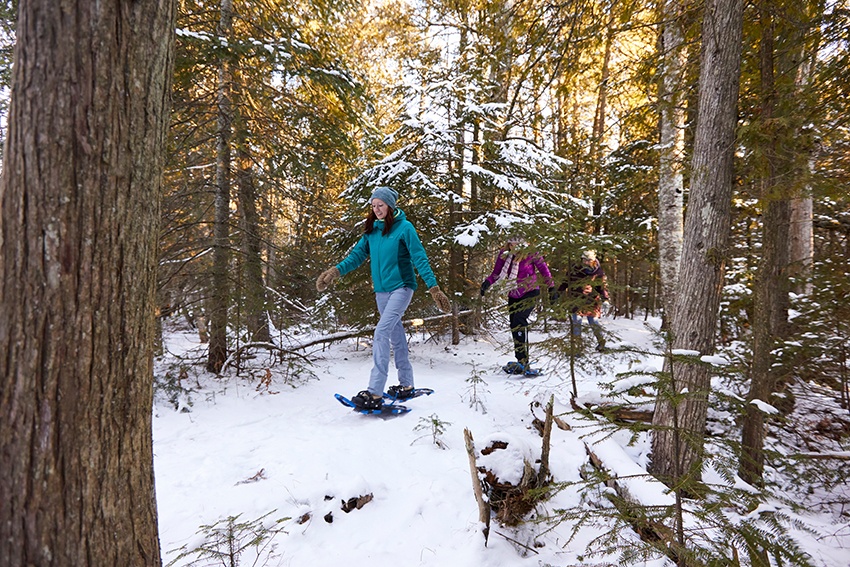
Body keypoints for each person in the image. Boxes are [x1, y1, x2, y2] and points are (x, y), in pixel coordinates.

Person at [315, 186, 451, 410]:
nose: (377, 209)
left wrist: (434, 288)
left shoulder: (405, 228)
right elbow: (357, 256)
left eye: (381, 205)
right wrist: (335, 271)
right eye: (374, 205)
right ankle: (406, 385)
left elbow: (420, 258)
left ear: (390, 205)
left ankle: (375, 392)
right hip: (382, 291)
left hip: (402, 288)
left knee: (381, 332)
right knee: (396, 335)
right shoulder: (372, 232)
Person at [480, 237, 555, 375]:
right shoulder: (504, 253)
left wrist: (551, 288)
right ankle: (520, 359)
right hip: (514, 293)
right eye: (511, 242)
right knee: (514, 324)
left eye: (516, 242)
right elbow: (496, 273)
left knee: (520, 321)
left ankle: (524, 361)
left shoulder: (531, 253)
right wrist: (487, 283)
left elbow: (544, 270)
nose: (513, 245)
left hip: (530, 291)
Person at [558, 249, 609, 352]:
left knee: (593, 322)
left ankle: (601, 343)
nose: (585, 262)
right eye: (584, 260)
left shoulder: (598, 272)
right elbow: (565, 281)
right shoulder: (574, 269)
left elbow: (602, 287)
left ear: (593, 261)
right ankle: (577, 348)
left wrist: (605, 299)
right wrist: (558, 292)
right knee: (576, 322)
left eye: (588, 260)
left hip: (592, 300)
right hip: (576, 299)